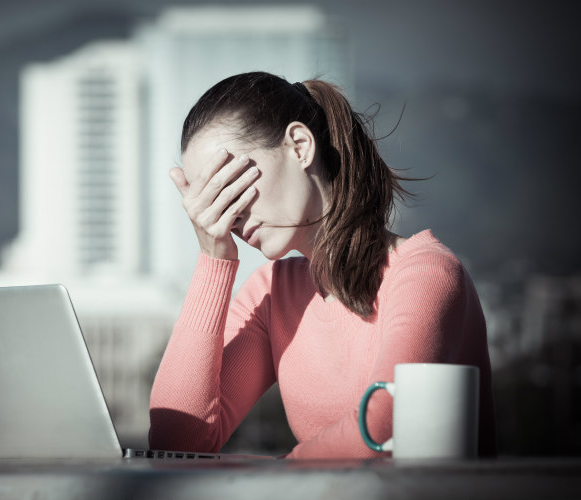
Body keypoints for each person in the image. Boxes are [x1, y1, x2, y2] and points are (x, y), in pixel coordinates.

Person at [148, 71, 496, 459]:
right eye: (211, 199)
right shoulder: (270, 293)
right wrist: (213, 257)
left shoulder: (424, 273)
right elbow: (177, 441)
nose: (228, 214)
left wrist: (271, 482)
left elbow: (383, 428)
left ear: (299, 145)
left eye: (230, 184)